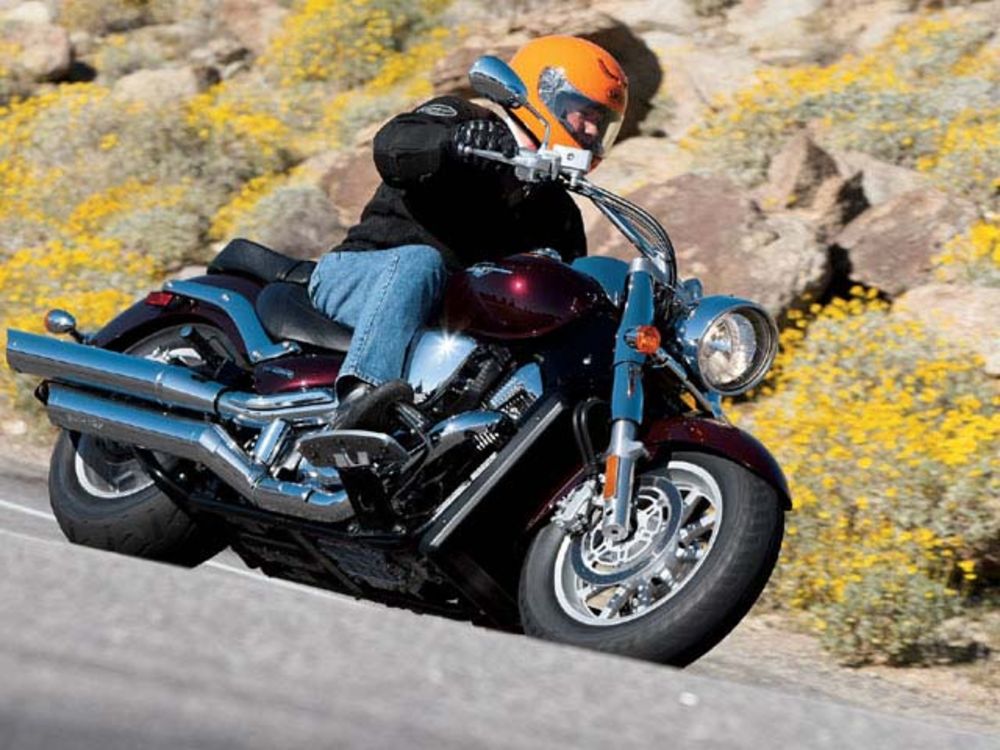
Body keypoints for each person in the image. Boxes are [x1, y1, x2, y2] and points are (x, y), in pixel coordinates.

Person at [308, 35, 629, 427]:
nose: (592, 130)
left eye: (602, 122)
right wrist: (451, 142)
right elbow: (394, 147)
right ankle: (360, 403)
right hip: (357, 275)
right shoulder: (464, 122)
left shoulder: (559, 213)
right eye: (584, 113)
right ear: (545, 97)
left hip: (446, 322)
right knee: (421, 263)